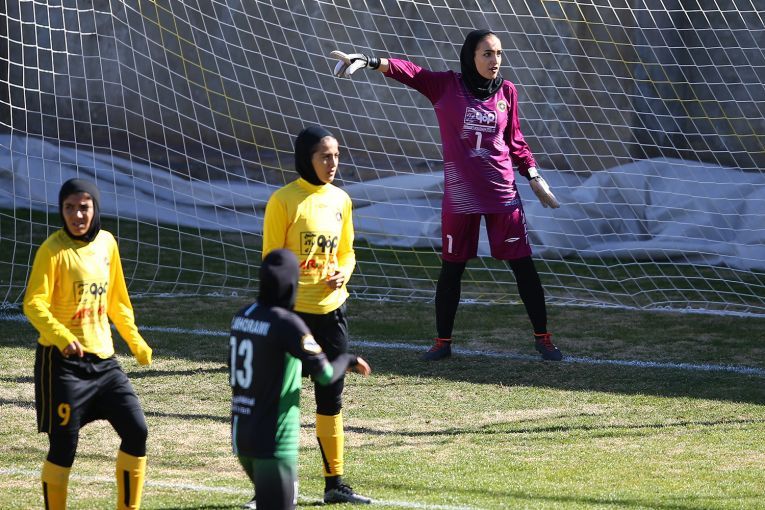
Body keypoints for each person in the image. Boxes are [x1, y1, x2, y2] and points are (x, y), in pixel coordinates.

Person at [330, 29, 564, 362]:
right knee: (452, 269)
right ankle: (442, 343)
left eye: (499, 53)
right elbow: (411, 72)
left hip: (502, 194)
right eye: (487, 53)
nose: (495, 60)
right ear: (471, 56)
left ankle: (544, 339)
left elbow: (516, 141)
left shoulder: (507, 91)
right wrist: (370, 61)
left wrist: (534, 175)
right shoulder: (446, 86)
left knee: (523, 266)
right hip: (461, 197)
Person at [23, 178, 153, 510]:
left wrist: (135, 340)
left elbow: (117, 301)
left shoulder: (107, 243)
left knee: (137, 431)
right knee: (64, 447)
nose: (77, 215)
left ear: (95, 209)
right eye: (69, 208)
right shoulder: (52, 250)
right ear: (61, 209)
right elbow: (34, 304)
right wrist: (63, 337)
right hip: (62, 365)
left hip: (105, 364)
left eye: (84, 207)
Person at [261, 126, 371, 504]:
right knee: (283, 403)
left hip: (332, 312)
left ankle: (334, 484)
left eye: (336, 155)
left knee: (331, 400)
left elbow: (347, 252)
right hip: (293, 316)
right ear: (306, 159)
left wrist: (344, 272)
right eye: (325, 156)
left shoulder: (341, 199)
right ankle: (272, 487)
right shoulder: (284, 200)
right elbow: (272, 260)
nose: (333, 163)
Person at [230, 249, 372, 510]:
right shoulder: (287, 324)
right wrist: (348, 360)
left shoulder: (242, 317)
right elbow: (325, 375)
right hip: (275, 442)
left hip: (242, 436)